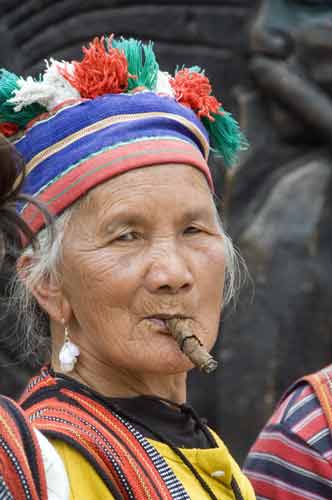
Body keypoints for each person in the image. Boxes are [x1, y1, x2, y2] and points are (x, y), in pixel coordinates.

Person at [0, 35, 255, 499]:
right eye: (127, 236)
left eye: (194, 231)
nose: (173, 273)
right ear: (48, 282)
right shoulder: (42, 470)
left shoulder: (206, 455)